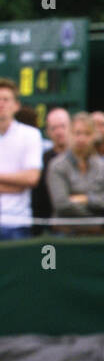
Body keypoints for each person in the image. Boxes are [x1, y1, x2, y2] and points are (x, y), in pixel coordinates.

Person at [46, 112, 104, 235]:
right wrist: (96, 213)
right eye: (77, 133)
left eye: (87, 133)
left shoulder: (100, 165)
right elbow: (62, 204)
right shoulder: (57, 165)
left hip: (96, 235)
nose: (82, 138)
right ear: (69, 134)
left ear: (94, 136)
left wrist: (86, 199)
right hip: (65, 234)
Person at [0, 78, 44, 240]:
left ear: (16, 105)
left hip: (17, 224)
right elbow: (23, 181)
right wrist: (16, 183)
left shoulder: (31, 135)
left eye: (6, 99)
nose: (1, 104)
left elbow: (32, 178)